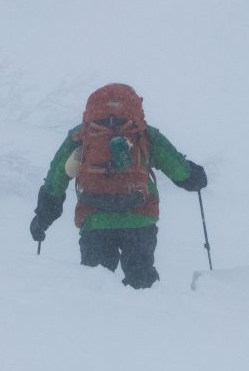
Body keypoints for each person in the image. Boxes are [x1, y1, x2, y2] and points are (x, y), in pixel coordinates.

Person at [29, 82, 206, 289]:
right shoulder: (142, 133)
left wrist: (42, 219)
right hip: (139, 219)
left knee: (96, 288)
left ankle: (96, 319)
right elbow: (179, 169)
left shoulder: (82, 135)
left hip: (95, 219)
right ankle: (149, 317)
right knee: (142, 286)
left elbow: (55, 179)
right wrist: (195, 177)